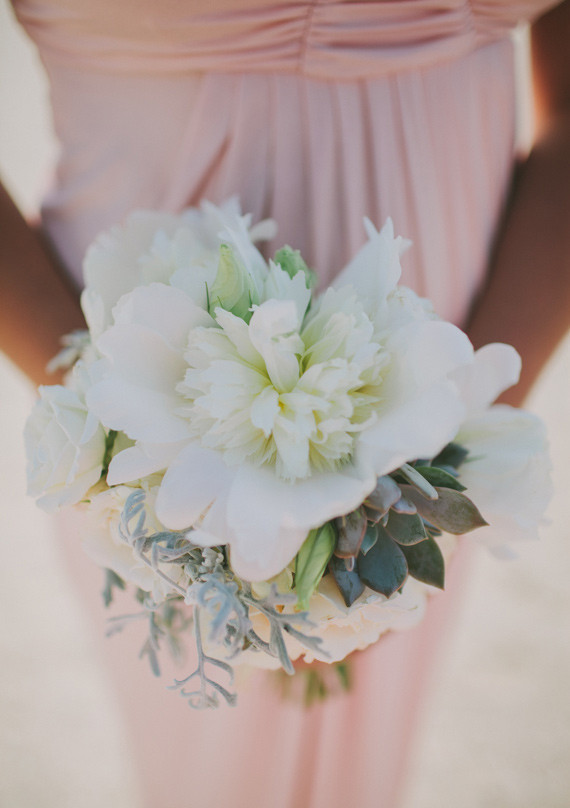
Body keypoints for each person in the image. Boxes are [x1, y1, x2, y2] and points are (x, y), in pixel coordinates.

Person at [1, 1, 569, 806]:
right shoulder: (133, 419)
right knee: (203, 761)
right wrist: (120, 436)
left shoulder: (441, 434)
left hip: (449, 367)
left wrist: (456, 434)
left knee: (371, 745)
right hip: (144, 378)